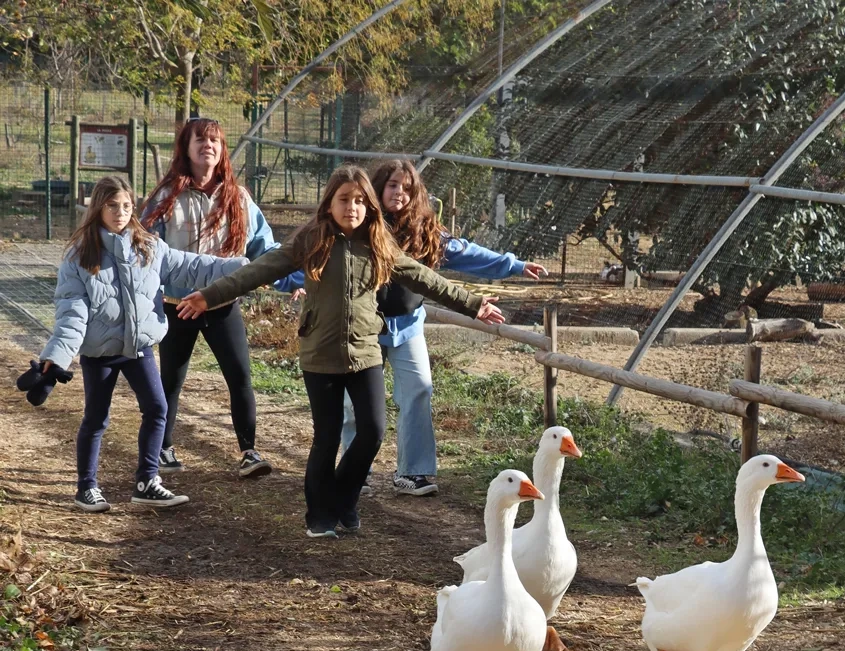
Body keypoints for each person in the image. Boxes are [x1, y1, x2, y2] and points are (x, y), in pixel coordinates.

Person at [176, 164, 505, 538]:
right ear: (329, 203)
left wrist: (473, 303)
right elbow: (259, 271)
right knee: (327, 437)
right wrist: (209, 296)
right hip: (321, 355)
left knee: (373, 432)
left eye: (360, 201)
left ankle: (344, 500)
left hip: (366, 353)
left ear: (369, 206)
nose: (352, 207)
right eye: (344, 199)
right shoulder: (311, 240)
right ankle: (319, 516)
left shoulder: (378, 242)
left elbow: (423, 277)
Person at [276, 159, 546, 497]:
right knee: (351, 405)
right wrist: (290, 282)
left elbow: (467, 253)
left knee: (419, 388)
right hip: (363, 330)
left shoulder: (425, 231)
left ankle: (413, 472)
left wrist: (514, 265)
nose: (399, 193)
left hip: (407, 326)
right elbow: (315, 261)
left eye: (407, 188)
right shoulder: (361, 226)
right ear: (377, 188)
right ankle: (355, 473)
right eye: (392, 185)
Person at [37, 175, 248, 513]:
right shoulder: (79, 256)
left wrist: (244, 268)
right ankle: (86, 487)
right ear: (98, 207)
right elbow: (71, 313)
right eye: (112, 205)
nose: (120, 212)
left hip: (139, 349)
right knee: (96, 419)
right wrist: (57, 356)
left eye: (126, 205)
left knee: (157, 408)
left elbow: (193, 266)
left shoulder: (149, 248)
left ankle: (147, 482)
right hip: (100, 354)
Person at [142, 118, 278, 479]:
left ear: (223, 150)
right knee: (171, 379)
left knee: (240, 375)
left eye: (215, 140)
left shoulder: (239, 198)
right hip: (178, 305)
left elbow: (264, 248)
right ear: (185, 149)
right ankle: (163, 448)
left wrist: (289, 275)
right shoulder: (165, 197)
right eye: (200, 139)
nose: (208, 145)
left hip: (222, 302)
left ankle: (249, 451)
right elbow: (144, 247)